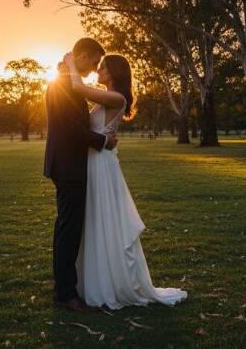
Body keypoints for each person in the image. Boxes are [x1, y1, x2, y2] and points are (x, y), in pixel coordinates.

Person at [63, 51, 187, 309]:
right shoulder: (107, 98)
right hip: (95, 160)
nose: (98, 71)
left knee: (103, 219)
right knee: (95, 220)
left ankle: (109, 283)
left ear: (114, 73)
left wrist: (70, 62)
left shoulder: (116, 97)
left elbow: (77, 86)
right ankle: (93, 280)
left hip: (101, 165)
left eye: (103, 68)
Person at [44, 38, 116, 312]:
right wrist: (103, 141)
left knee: (66, 228)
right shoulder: (62, 84)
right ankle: (66, 294)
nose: (95, 67)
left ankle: (63, 288)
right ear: (82, 56)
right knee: (69, 230)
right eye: (95, 61)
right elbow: (72, 129)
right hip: (68, 166)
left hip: (67, 165)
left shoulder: (65, 80)